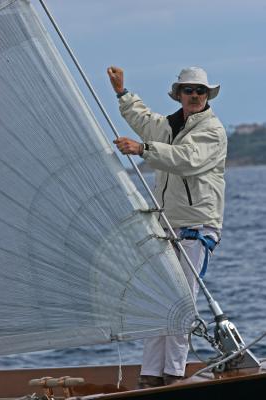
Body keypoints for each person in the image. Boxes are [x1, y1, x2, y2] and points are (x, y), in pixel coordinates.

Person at [107, 66, 227, 388]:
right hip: (167, 227)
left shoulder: (212, 131)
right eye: (188, 90)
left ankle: (173, 375)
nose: (194, 95)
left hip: (196, 227)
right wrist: (122, 93)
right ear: (179, 94)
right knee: (161, 301)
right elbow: (145, 121)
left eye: (200, 91)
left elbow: (187, 159)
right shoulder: (169, 126)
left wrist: (142, 149)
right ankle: (149, 376)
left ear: (207, 96)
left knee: (180, 302)